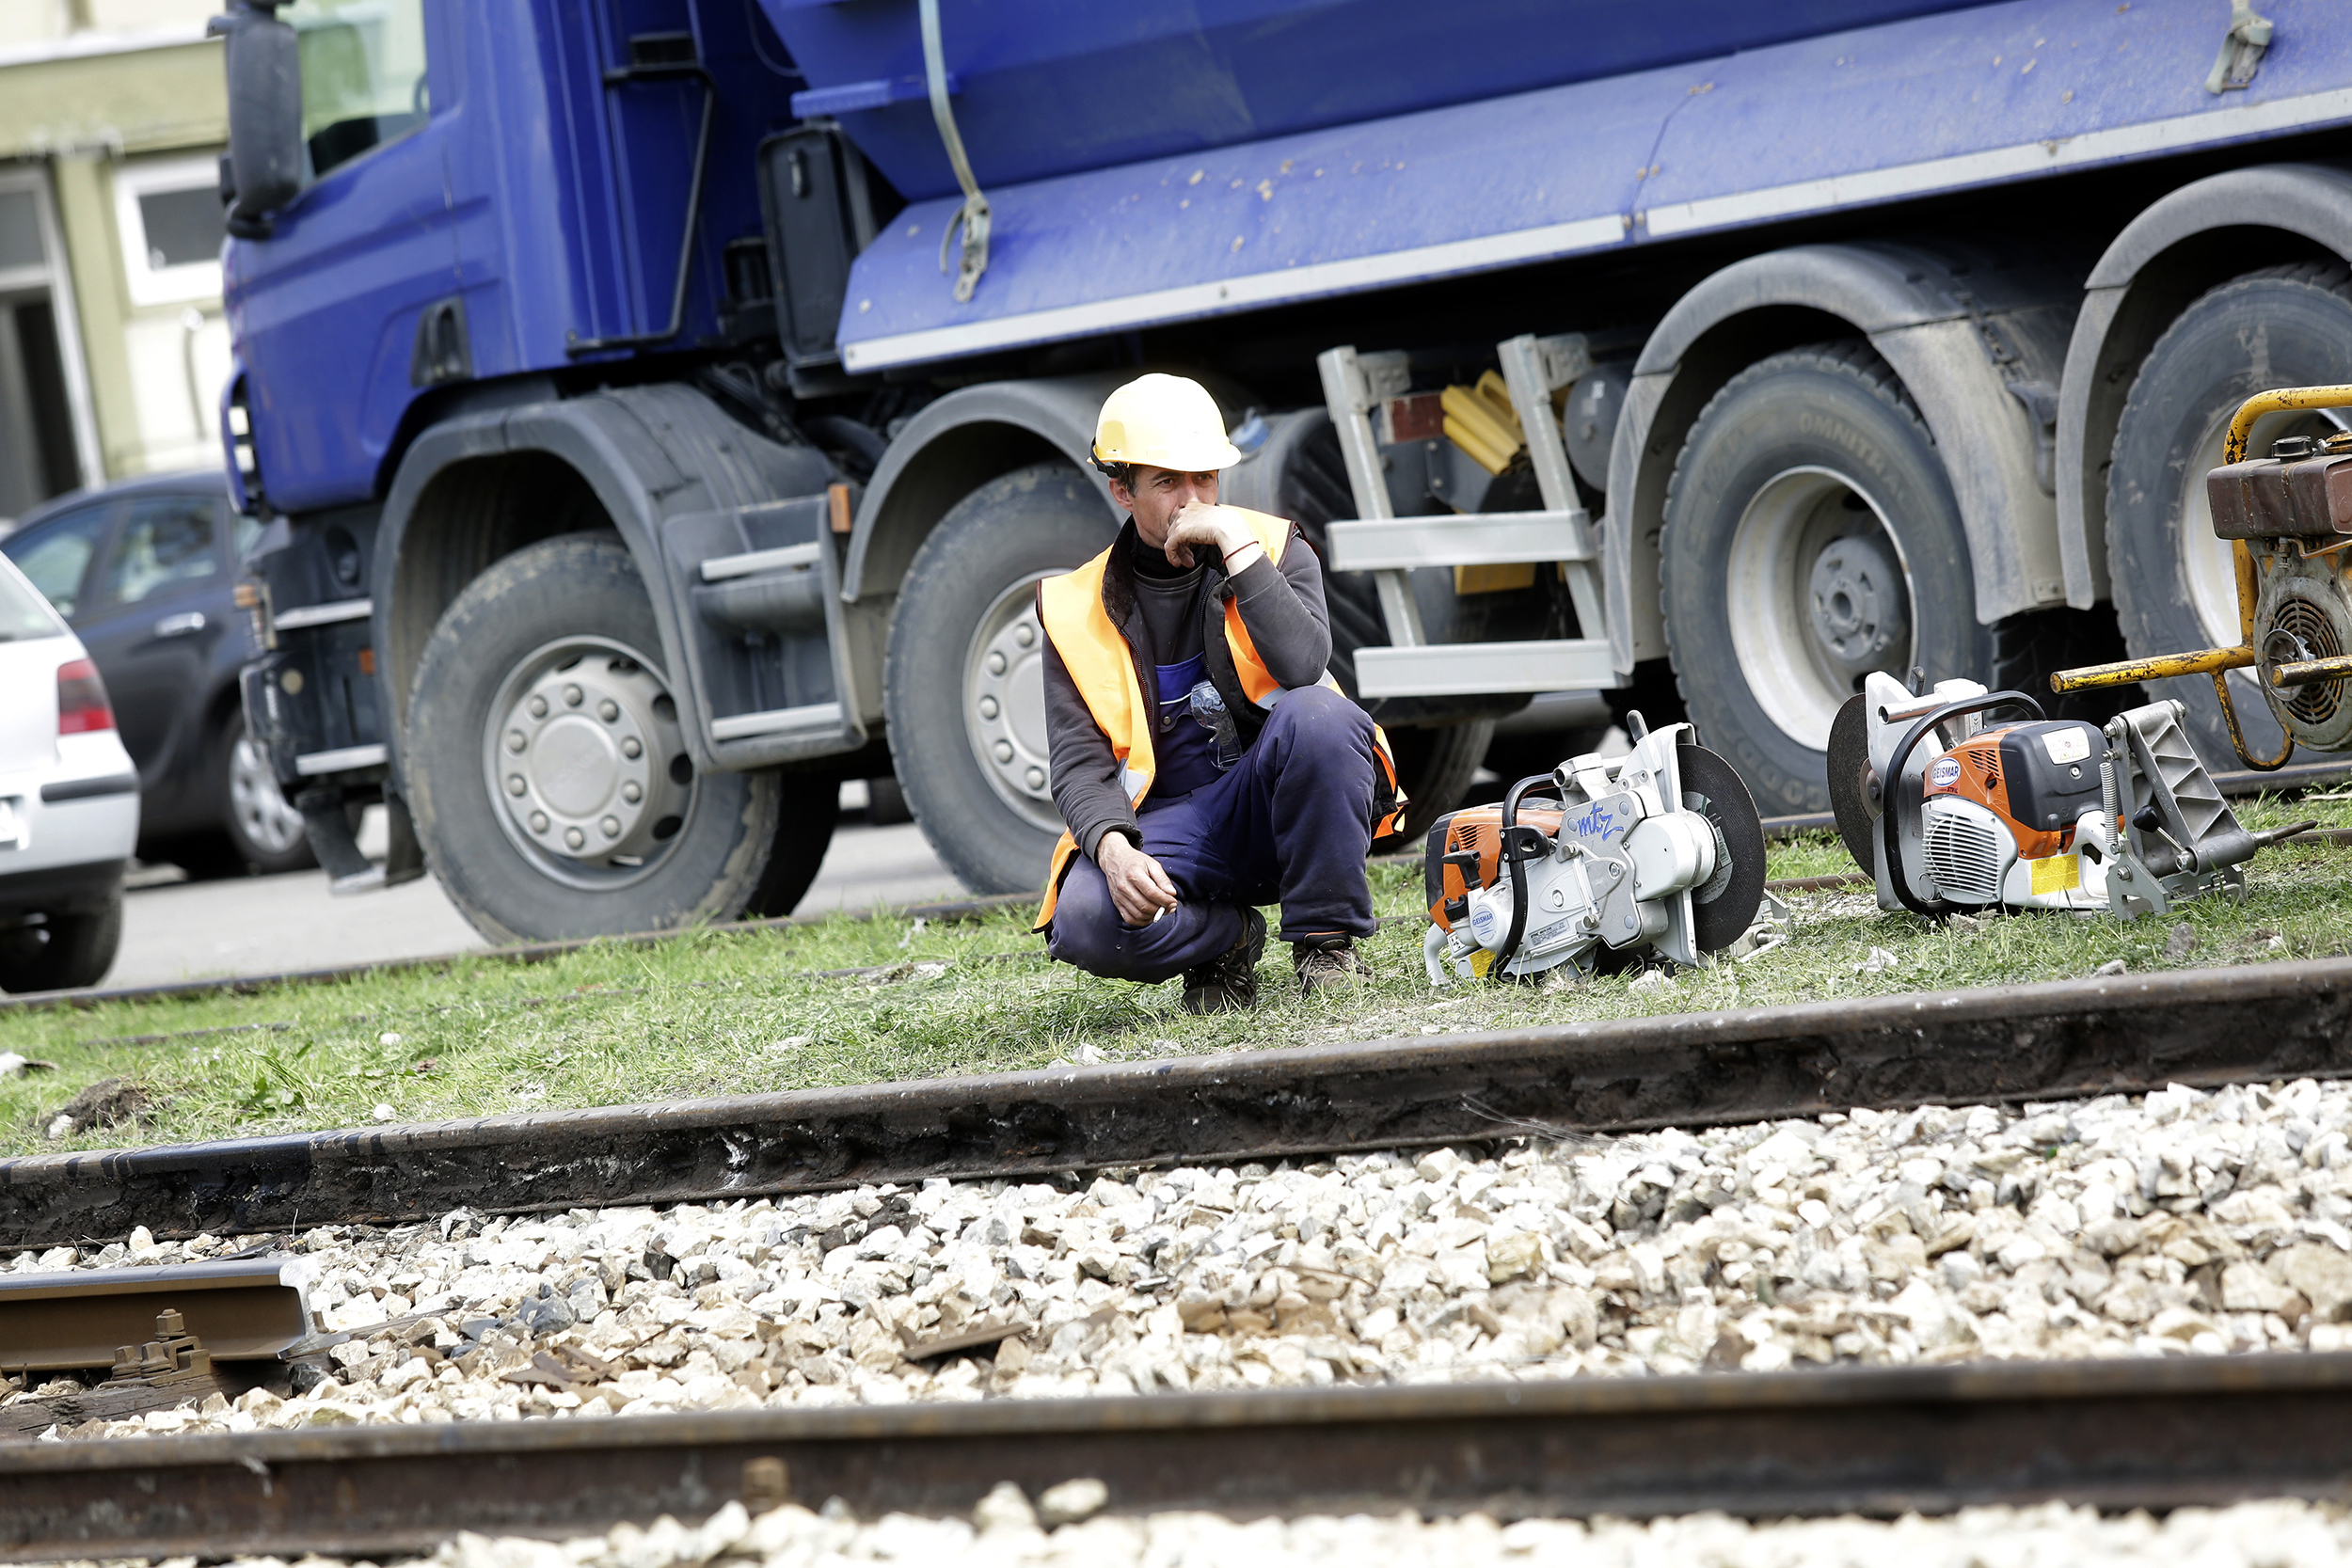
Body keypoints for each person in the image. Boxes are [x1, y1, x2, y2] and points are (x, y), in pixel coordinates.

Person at [1030, 373, 1404, 1012]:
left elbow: (1303, 664)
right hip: (1178, 835)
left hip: (1278, 810)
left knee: (1321, 715)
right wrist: (1116, 852)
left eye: (1205, 477)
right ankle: (1227, 938)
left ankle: (1325, 943)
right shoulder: (1073, 608)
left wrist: (1235, 545)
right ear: (1122, 489)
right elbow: (1078, 768)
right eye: (1168, 482)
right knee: (1085, 917)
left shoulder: (1274, 549)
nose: (1192, 499)